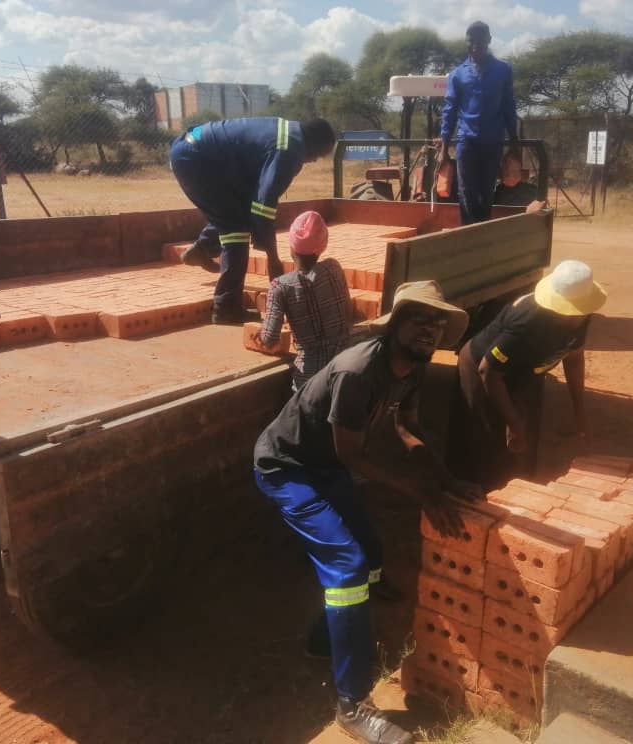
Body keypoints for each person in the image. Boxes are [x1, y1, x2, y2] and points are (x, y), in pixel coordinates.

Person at [253, 281, 482, 744]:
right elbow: (353, 456)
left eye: (438, 323)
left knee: (372, 552)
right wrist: (422, 495)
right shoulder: (359, 371)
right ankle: (352, 704)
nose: (430, 330)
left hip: (325, 465)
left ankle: (326, 640)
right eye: (420, 318)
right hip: (288, 468)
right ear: (395, 323)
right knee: (349, 567)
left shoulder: (411, 368)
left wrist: (445, 481)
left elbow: (408, 429)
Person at [448, 260, 607, 491]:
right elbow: (488, 371)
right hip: (482, 369)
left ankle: (520, 492)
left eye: (580, 313)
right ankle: (479, 500)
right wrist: (513, 422)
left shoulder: (582, 314)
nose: (576, 319)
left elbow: (574, 357)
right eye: (570, 313)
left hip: (524, 372)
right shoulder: (528, 322)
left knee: (524, 442)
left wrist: (579, 413)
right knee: (487, 440)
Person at [169, 117, 337, 324]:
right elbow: (263, 208)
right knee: (235, 231)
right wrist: (273, 260)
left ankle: (203, 248)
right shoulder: (289, 150)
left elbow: (257, 201)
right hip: (195, 159)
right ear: (313, 143)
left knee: (236, 211)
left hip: (194, 148)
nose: (314, 160)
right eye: (319, 155)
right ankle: (226, 308)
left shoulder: (289, 134)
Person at [251, 210, 353, 389]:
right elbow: (347, 313)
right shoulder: (334, 268)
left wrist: (258, 333)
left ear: (291, 248)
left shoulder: (281, 286)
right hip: (345, 368)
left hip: (310, 381)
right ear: (323, 246)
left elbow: (270, 339)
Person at [439, 21, 519, 225]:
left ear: (489, 41)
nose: (476, 45)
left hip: (493, 141)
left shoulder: (503, 70)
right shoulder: (457, 74)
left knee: (486, 192)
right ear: (467, 42)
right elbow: (450, 111)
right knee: (466, 192)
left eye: (481, 40)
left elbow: (509, 107)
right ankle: (469, 234)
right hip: (467, 141)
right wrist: (444, 147)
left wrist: (514, 142)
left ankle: (482, 235)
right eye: (471, 41)